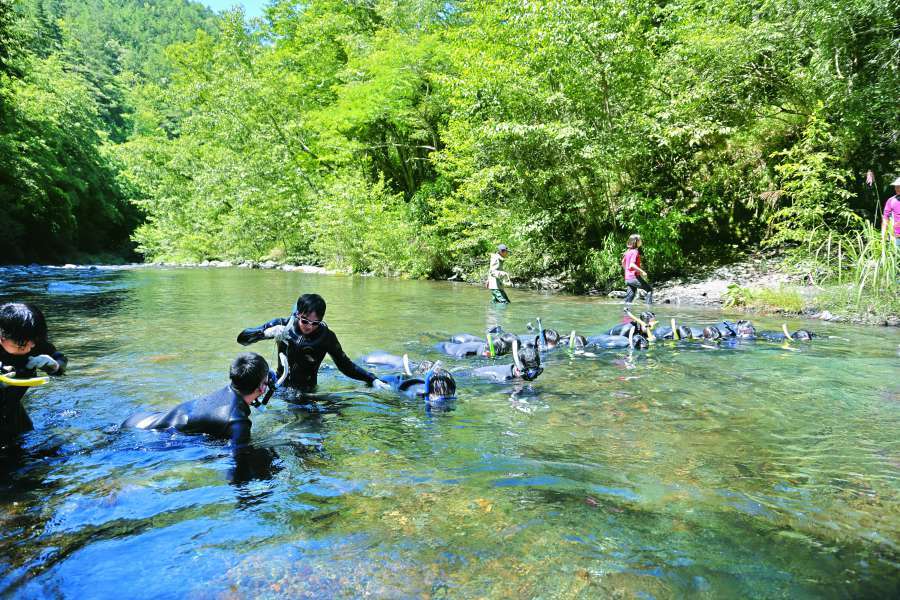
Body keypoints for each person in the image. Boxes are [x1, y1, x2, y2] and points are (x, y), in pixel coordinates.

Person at [122, 352, 272, 455]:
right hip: (147, 438)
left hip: (138, 420)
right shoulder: (238, 422)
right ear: (260, 387)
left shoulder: (225, 394)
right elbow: (239, 467)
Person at [237, 294, 389, 393]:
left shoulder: (326, 337)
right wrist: (265, 333)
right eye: (305, 321)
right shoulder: (281, 326)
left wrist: (372, 379)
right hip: (279, 387)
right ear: (298, 314)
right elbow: (242, 339)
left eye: (315, 322)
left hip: (307, 391)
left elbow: (345, 365)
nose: (309, 326)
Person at [0, 303, 67, 448]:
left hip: (14, 415)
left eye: (34, 340)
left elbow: (61, 361)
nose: (30, 346)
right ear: (2, 336)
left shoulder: (34, 343)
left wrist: (54, 366)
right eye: (21, 344)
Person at [622, 234, 653, 305]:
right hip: (634, 277)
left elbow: (623, 262)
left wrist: (627, 272)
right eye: (640, 239)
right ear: (636, 241)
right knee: (649, 290)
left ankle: (626, 312)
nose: (641, 241)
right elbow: (632, 265)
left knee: (629, 298)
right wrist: (642, 272)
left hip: (628, 278)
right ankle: (648, 309)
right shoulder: (635, 252)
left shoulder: (628, 251)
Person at [883, 177, 900, 248]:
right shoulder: (891, 200)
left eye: (899, 186)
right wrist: (883, 235)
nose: (897, 188)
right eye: (896, 186)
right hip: (896, 237)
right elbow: (885, 218)